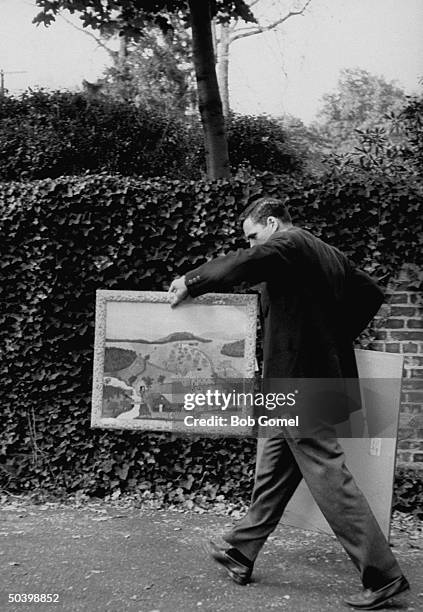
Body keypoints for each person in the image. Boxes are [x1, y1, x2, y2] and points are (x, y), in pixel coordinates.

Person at [168, 197, 409, 610]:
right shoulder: (329, 254)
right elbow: (371, 294)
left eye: (253, 236)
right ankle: (240, 551)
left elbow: (244, 263)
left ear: (273, 224)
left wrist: (192, 281)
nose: (252, 245)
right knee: (276, 464)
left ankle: (382, 575)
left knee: (327, 471)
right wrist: (331, 337)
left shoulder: (291, 243)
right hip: (312, 376)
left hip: (300, 379)